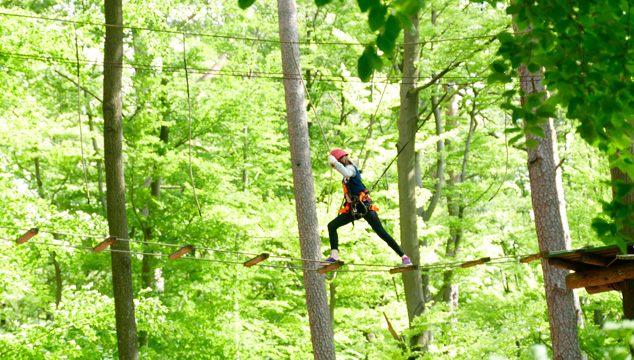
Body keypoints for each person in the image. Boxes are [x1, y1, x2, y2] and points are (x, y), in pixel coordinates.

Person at [321, 148, 413, 267]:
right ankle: (334, 257)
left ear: (341, 160)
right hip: (354, 209)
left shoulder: (350, 169)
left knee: (381, 232)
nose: (335, 168)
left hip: (364, 207)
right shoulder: (350, 169)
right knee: (332, 226)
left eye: (337, 163)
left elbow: (348, 172)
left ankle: (405, 257)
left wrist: (335, 163)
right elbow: (348, 173)